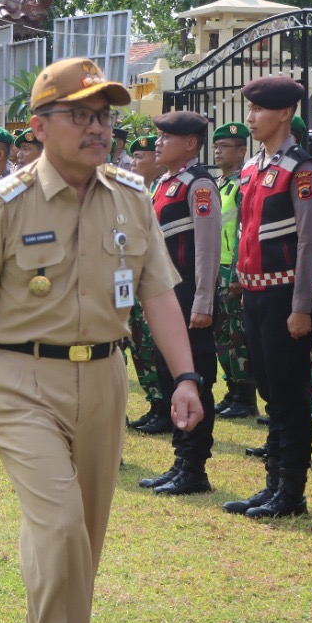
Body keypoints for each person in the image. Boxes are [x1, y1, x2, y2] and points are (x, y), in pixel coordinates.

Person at [0, 57, 203, 623]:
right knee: (60, 532)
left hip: (104, 381)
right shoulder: (3, 203)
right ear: (40, 125)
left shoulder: (130, 197)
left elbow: (157, 294)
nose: (98, 128)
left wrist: (185, 378)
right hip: (22, 381)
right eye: (80, 115)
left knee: (81, 540)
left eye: (105, 115)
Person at [223, 75, 312, 519]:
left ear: (284, 113)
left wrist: (303, 305)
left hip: (285, 296)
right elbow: (247, 231)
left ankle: (291, 491)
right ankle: (273, 483)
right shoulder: (254, 167)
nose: (250, 118)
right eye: (249, 110)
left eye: (259, 110)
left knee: (289, 393)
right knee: (268, 389)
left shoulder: (300, 169)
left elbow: (308, 241)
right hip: (257, 293)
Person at [134, 111, 221, 495]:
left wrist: (203, 300)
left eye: (166, 137)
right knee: (171, 377)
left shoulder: (198, 184)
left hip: (188, 297)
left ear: (189, 143)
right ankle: (181, 459)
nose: (157, 143)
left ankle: (195, 467)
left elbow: (207, 246)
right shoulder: (166, 184)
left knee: (194, 378)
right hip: (167, 297)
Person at [211, 121, 258, 420]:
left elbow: (245, 228)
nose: (217, 151)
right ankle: (231, 389)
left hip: (234, 267)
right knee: (222, 334)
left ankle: (245, 395)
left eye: (224, 146)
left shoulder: (243, 184)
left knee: (238, 334)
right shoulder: (218, 184)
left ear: (241, 150)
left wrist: (240, 270)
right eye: (216, 146)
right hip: (217, 266)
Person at [124, 133, 170, 432]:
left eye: (140, 157)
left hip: (156, 283)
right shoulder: (141, 191)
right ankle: (155, 403)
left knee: (155, 345)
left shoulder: (165, 189)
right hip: (134, 280)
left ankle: (164, 406)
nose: (133, 163)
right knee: (140, 345)